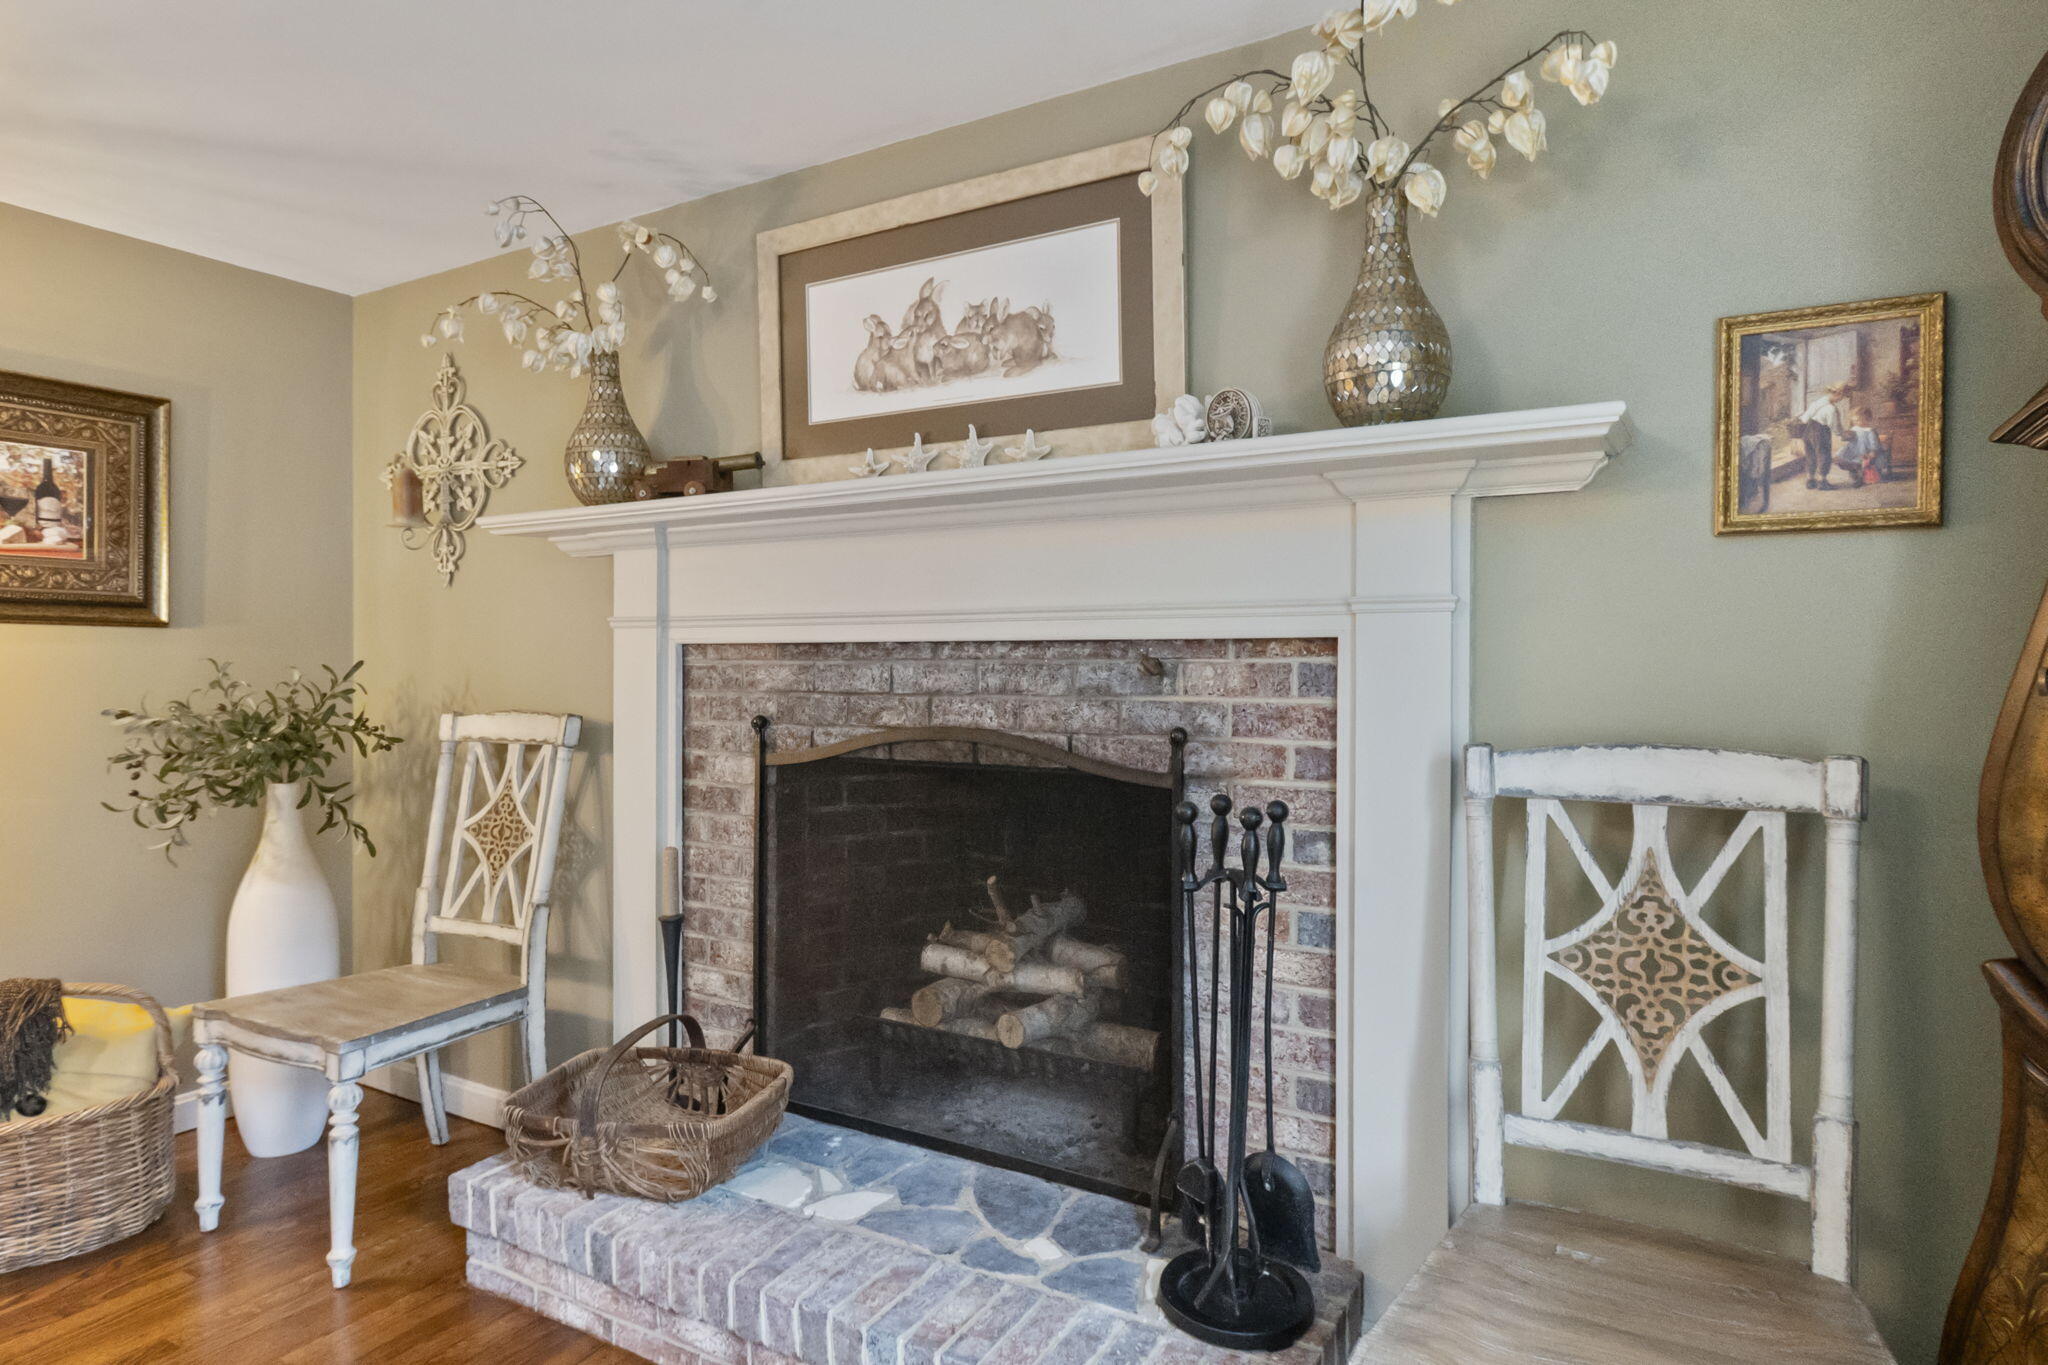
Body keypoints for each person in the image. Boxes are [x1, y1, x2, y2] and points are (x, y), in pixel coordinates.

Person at [1796, 384, 1851, 489]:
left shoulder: (1817, 402)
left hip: (1808, 431)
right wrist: (1842, 434)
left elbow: (1804, 418)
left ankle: (1810, 480)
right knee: (1824, 455)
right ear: (1838, 394)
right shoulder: (1831, 409)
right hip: (1821, 432)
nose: (1841, 400)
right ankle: (1822, 482)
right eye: (1842, 397)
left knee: (1810, 454)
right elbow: (1834, 426)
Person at [1838, 409, 1887, 485]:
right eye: (1854, 421)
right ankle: (1854, 474)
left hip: (1865, 451)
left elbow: (1874, 442)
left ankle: (1863, 477)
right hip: (1854, 450)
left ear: (1866, 419)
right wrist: (1847, 435)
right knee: (1849, 461)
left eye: (1858, 420)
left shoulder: (1870, 430)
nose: (1855, 423)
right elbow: (1849, 439)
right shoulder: (1854, 429)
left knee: (1865, 463)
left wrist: (1873, 451)